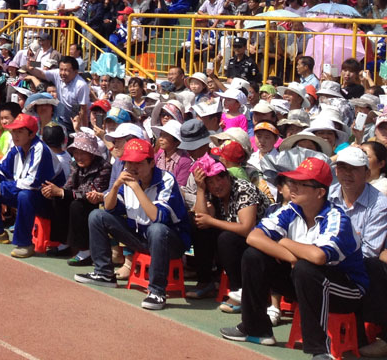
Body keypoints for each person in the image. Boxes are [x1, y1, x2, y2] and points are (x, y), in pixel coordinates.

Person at [220, 156, 368, 356]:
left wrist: (284, 242)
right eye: (292, 182)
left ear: (320, 192)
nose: (293, 187)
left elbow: (318, 257)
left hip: (348, 291)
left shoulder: (337, 218)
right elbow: (254, 237)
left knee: (306, 269)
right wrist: (290, 257)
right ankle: (256, 328)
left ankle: (320, 350)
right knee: (254, 256)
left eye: (301, 184)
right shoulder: (291, 209)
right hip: (305, 279)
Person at [75, 138, 192, 310]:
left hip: (170, 242)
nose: (131, 168)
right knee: (97, 216)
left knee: (157, 230)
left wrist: (136, 187)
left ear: (151, 163)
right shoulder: (127, 180)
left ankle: (157, 292)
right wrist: (115, 186)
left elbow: (157, 217)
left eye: (137, 163)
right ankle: (104, 273)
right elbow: (109, 208)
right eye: (128, 163)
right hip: (141, 236)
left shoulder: (166, 179)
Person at [0, 112, 60, 259]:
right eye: (14, 131)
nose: (15, 135)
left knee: (24, 195)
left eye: (20, 131)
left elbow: (32, 182)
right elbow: (0, 167)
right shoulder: (17, 147)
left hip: (51, 201)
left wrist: (0, 188)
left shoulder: (40, 149)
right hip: (29, 194)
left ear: (32, 134)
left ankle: (25, 243)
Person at [188, 153, 266, 301]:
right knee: (199, 226)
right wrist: (200, 189)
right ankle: (205, 282)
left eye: (220, 178)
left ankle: (239, 291)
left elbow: (246, 229)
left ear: (228, 176)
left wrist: (211, 221)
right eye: (211, 182)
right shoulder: (211, 193)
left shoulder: (243, 188)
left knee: (226, 238)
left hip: (258, 241)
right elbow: (201, 218)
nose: (217, 185)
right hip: (231, 239)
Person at [40, 130, 112, 266]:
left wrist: (63, 193)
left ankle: (86, 251)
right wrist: (54, 191)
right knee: (58, 199)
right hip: (80, 199)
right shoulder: (75, 165)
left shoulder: (104, 167)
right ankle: (64, 243)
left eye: (83, 153)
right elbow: (69, 187)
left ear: (92, 153)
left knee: (76, 205)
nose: (78, 157)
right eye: (76, 153)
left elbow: (90, 193)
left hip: (97, 203)